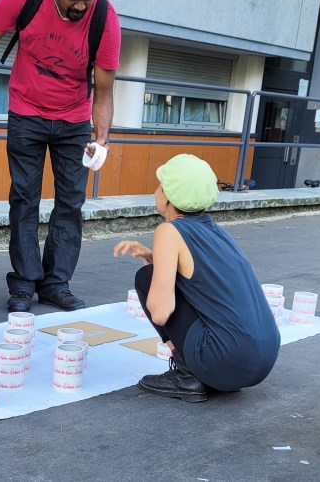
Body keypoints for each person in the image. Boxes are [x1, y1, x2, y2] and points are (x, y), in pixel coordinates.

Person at [0, 0, 121, 313]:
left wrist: (102, 137)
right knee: (24, 199)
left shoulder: (105, 19)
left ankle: (56, 283)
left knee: (71, 203)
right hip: (26, 113)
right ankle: (24, 283)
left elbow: (104, 92)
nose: (80, 6)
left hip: (74, 120)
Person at [114, 154, 280, 402]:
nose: (156, 191)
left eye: (159, 186)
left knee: (145, 278)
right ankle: (206, 372)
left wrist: (155, 271)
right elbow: (200, 276)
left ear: (167, 196)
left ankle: (187, 375)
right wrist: (151, 255)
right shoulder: (218, 233)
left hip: (225, 361)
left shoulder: (169, 231)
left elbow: (160, 313)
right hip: (261, 361)